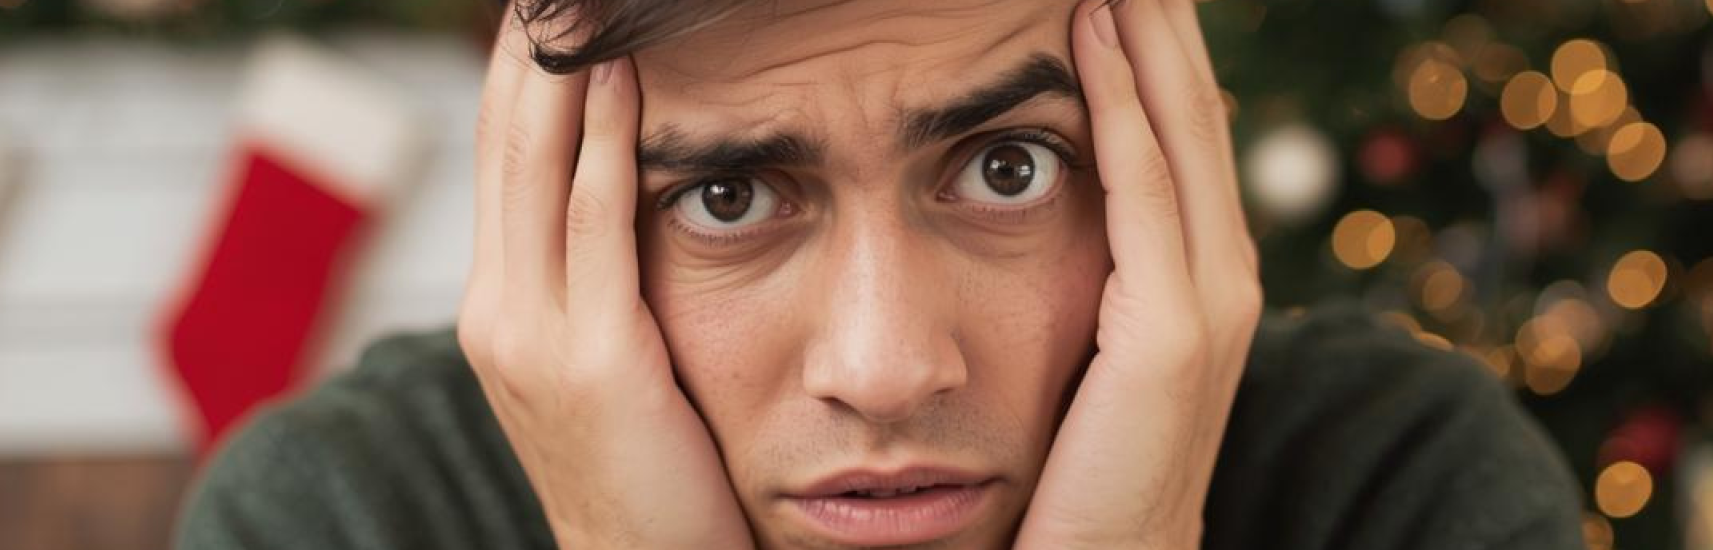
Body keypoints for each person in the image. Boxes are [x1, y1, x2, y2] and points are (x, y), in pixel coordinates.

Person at [175, 0, 1586, 548]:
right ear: (546, 195)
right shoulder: (342, 520)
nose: (887, 363)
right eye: (727, 195)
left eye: (1007, 167)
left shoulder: (1404, 488)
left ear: (1173, 155)